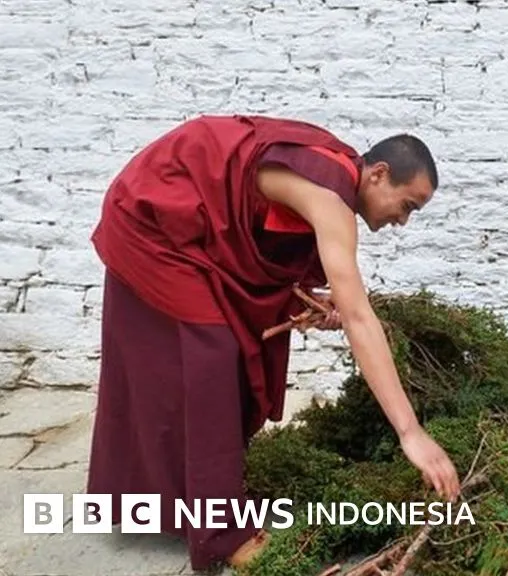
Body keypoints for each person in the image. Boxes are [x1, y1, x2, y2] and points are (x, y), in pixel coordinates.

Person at [86, 114, 462, 570]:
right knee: (215, 355)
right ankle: (223, 532)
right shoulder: (329, 195)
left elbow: (259, 232)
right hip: (152, 220)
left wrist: (307, 299)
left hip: (191, 235)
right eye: (407, 206)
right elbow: (361, 318)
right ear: (379, 173)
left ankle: (191, 492)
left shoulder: (333, 179)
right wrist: (410, 433)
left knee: (213, 357)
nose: (403, 221)